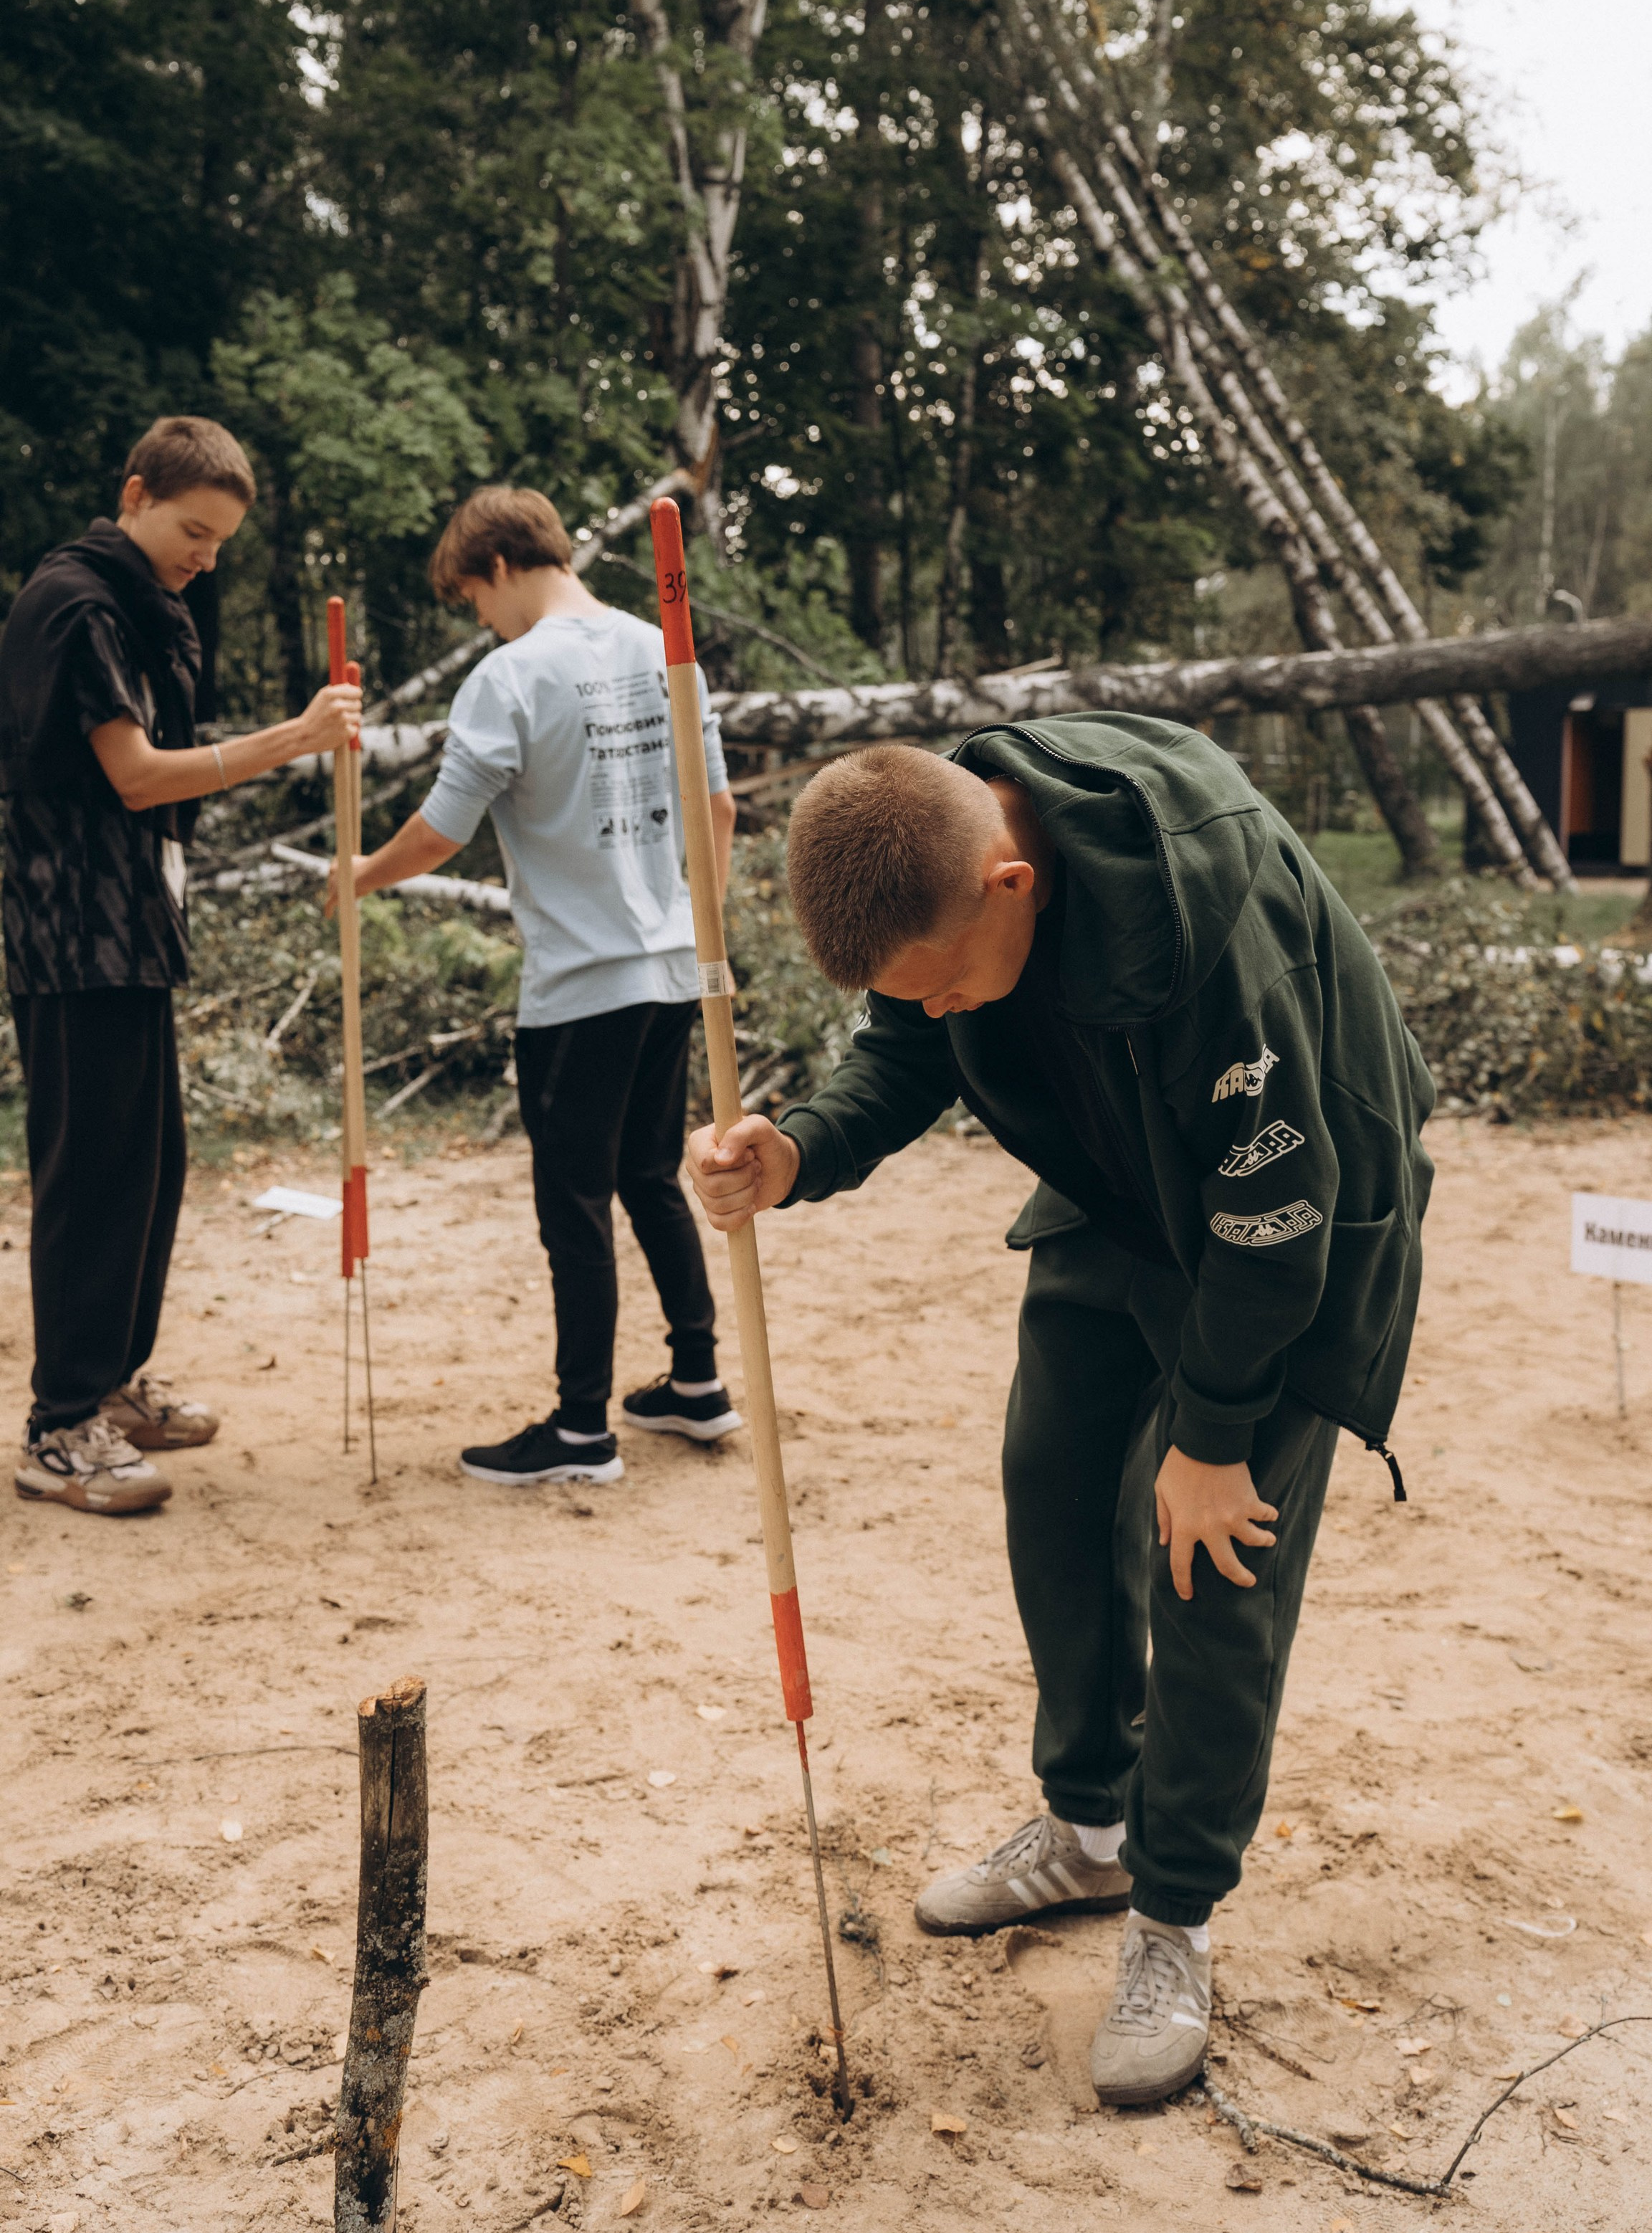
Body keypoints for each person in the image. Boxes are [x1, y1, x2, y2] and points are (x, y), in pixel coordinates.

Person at [685, 720, 1433, 2108]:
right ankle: (1088, 1833)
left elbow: (1275, 1218)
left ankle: (1174, 1915)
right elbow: (906, 1051)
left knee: (1212, 1564)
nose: (942, 1012)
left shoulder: (1210, 929)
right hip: (1116, 1178)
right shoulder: (946, 877)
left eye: (948, 986)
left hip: (1292, 1230)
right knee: (1056, 1490)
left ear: (1013, 883)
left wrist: (1212, 1437)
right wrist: (797, 1151)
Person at [341, 485, 739, 1488]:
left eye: (475, 599)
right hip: (670, 967)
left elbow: (443, 830)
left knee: (575, 1202)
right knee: (649, 1176)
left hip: (580, 984)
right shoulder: (663, 648)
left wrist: (357, 876)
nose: (482, 619)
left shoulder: (510, 676)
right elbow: (721, 809)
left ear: (499, 567)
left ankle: (580, 1430)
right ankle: (697, 1383)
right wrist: (702, 933)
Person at [0, 416, 361, 1517]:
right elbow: (138, 774)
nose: (205, 558)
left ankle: (110, 1382)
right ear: (136, 494)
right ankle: (59, 1426)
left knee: (151, 1162)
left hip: (135, 923)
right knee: (91, 1171)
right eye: (193, 532)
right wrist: (292, 738)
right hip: (74, 928)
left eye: (220, 543)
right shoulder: (77, 602)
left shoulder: (143, 603)